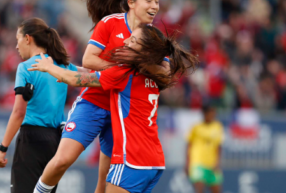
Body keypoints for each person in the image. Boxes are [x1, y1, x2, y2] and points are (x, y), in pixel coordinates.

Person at [33, 0, 170, 193]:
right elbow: (88, 60)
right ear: (131, 3)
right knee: (62, 160)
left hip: (121, 111)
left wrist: (133, 69)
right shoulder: (110, 23)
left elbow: (166, 74)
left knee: (104, 182)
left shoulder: (151, 38)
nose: (155, 6)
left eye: (157, 1)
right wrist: (122, 72)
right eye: (149, 0)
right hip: (95, 100)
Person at [30, 24, 198, 193]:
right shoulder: (156, 76)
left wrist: (49, 67)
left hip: (131, 159)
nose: (125, 41)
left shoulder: (125, 73)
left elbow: (77, 80)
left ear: (145, 51)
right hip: (154, 160)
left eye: (132, 40)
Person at [0, 18, 84, 193]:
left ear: (28, 39)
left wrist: (2, 149)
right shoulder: (62, 66)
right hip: (55, 142)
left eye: (18, 40)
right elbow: (92, 76)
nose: (16, 46)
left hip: (31, 140)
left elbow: (19, 112)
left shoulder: (26, 67)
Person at [185, 105, 224, 193]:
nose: (213, 115)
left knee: (217, 189)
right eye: (211, 113)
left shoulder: (217, 127)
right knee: (199, 189)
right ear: (205, 114)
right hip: (198, 163)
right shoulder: (196, 127)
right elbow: (189, 145)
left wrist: (217, 162)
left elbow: (218, 146)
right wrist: (187, 163)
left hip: (212, 164)